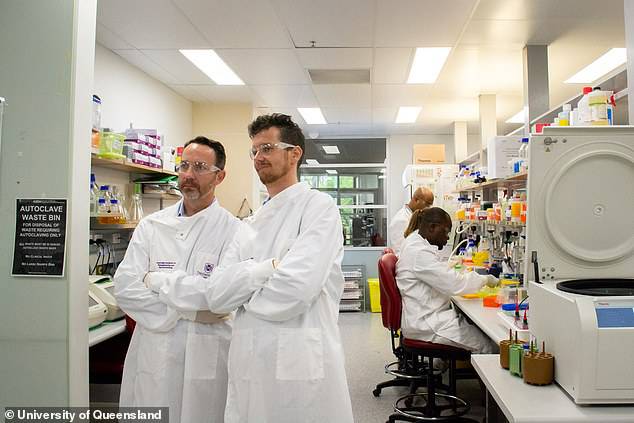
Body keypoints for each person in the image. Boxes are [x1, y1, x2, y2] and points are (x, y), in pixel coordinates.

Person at [146, 113, 354, 423]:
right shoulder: (249, 225)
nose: (258, 157)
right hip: (249, 359)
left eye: (267, 148)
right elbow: (216, 296)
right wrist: (265, 271)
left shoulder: (318, 208)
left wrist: (241, 291)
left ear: (294, 153)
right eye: (254, 150)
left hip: (297, 361)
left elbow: (293, 292)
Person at [114, 136, 241, 423]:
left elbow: (218, 296)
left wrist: (156, 282)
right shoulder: (152, 226)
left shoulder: (234, 230)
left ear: (219, 176)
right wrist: (188, 311)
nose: (188, 175)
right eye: (184, 166)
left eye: (199, 167)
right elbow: (125, 288)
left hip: (208, 349)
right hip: (155, 349)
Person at [396, 207, 498, 353]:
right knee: (490, 347)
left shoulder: (415, 242)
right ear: (432, 227)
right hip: (429, 323)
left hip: (426, 316)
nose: (448, 237)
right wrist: (484, 279)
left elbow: (431, 272)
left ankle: (436, 364)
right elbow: (455, 284)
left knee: (474, 329)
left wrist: (445, 267)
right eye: (446, 231)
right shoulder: (418, 252)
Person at [388, 187, 434, 255]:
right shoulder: (401, 220)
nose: (428, 208)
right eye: (427, 204)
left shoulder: (414, 217)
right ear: (416, 200)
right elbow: (400, 252)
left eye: (430, 205)